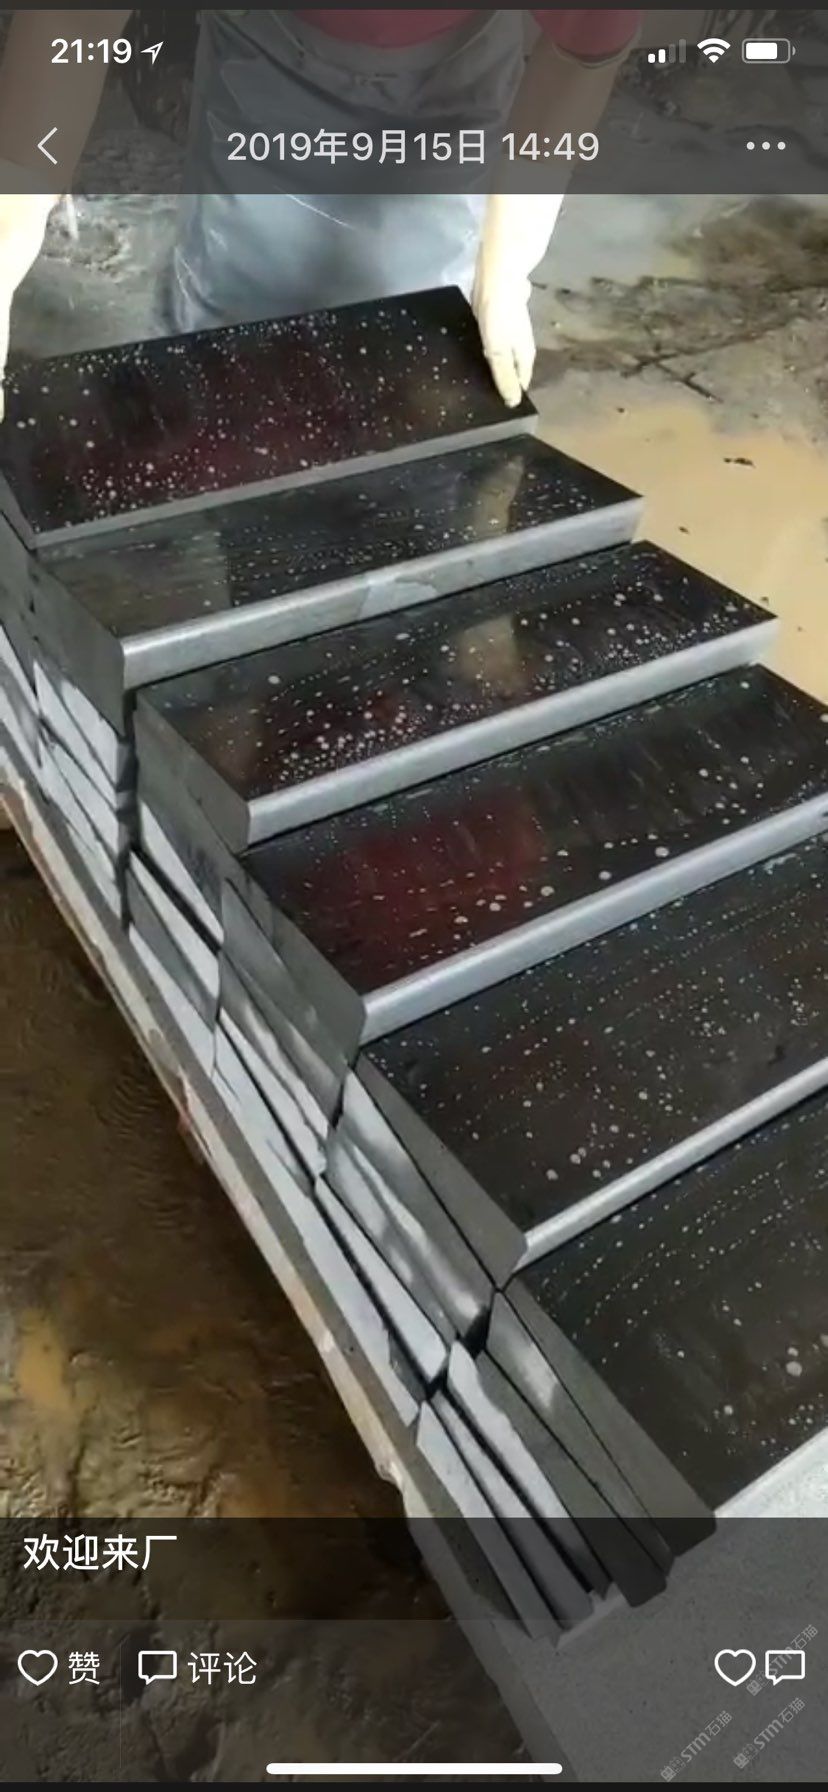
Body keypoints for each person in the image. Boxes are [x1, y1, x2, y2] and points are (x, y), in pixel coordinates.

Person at [0, 8, 641, 416]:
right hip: (266, 42)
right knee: (228, 346)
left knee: (411, 356)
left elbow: (581, 54)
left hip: (452, 66)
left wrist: (505, 271)